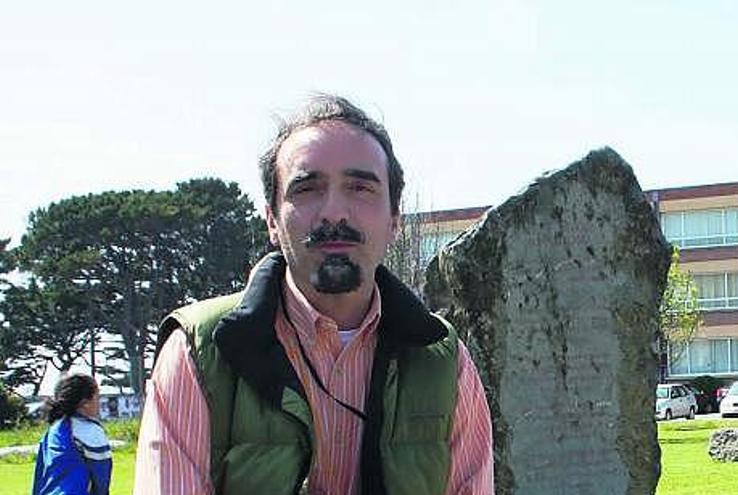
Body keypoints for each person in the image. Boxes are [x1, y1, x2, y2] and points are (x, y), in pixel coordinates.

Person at [134, 94, 494, 494]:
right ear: (271, 219)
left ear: (394, 218)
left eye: (360, 188)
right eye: (307, 189)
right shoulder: (200, 353)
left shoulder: (443, 360)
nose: (334, 212)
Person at [32, 373, 112, 495]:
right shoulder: (90, 431)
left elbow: (40, 477)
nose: (99, 403)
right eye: (97, 397)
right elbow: (101, 477)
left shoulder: (53, 430)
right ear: (85, 402)